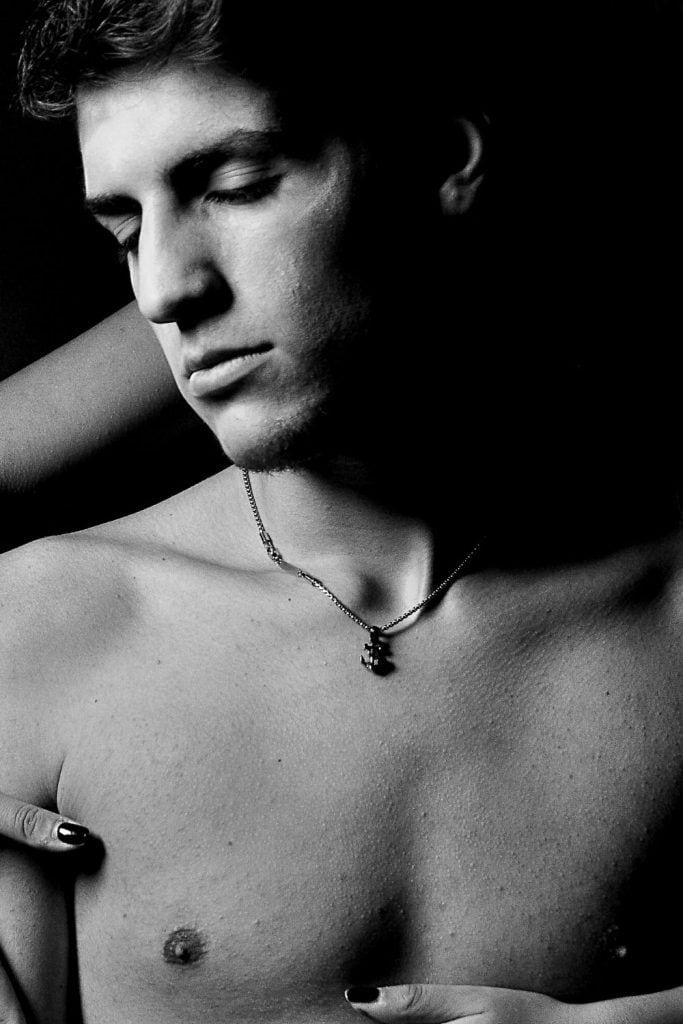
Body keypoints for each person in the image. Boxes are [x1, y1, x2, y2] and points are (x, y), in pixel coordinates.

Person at [1, 1, 683, 1022]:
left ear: (443, 160)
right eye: (124, 233)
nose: (161, 291)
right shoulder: (41, 633)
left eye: (236, 187)